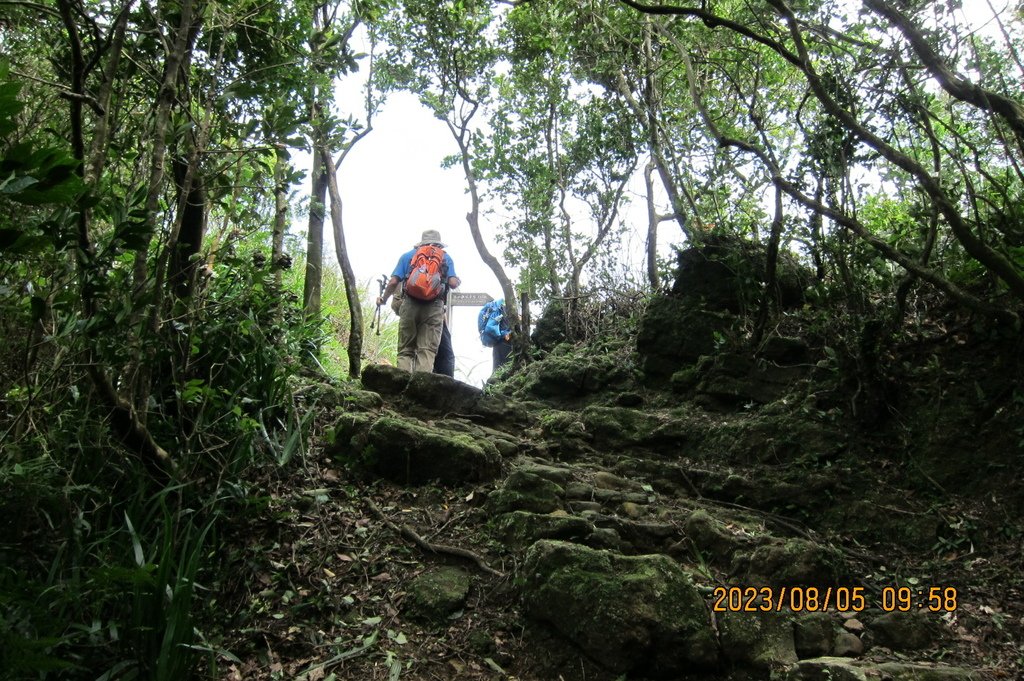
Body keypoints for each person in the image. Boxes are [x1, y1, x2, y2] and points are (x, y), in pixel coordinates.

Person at [377, 229, 460, 372]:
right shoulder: (445, 258)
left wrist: (383, 299)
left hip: (410, 303)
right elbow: (452, 283)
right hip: (434, 307)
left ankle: (402, 386)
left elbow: (392, 282)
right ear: (439, 244)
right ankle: (421, 389)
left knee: (405, 349)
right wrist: (456, 280)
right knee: (427, 349)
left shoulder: (408, 256)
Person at [478, 298, 512, 371]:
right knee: (506, 368)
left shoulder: (498, 308)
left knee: (497, 369)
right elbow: (507, 333)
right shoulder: (506, 310)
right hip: (505, 342)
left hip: (497, 343)